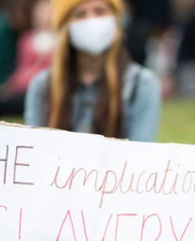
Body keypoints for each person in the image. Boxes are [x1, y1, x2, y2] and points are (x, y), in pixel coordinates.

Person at [24, 0, 161, 142]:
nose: (91, 20)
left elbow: (141, 154)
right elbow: (35, 150)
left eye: (100, 11)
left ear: (116, 19)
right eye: (80, 14)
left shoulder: (141, 84)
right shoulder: (42, 86)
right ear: (65, 26)